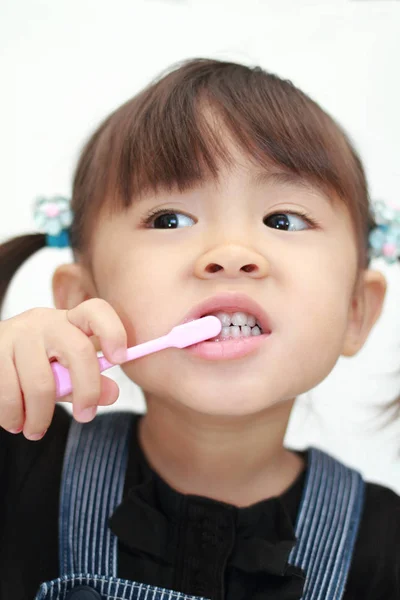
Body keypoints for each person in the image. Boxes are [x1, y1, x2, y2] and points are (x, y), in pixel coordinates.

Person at [0, 59, 398, 600]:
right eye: (169, 219)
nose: (231, 255)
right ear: (84, 301)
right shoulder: (19, 464)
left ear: (357, 311)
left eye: (283, 220)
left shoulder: (386, 549)